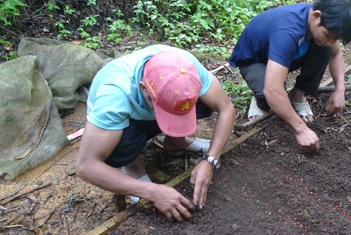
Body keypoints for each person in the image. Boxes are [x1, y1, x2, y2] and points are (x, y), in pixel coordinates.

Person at [76, 44, 236, 222]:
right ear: (144, 87)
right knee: (120, 148)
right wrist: (151, 191)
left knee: (206, 102)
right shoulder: (114, 96)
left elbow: (226, 108)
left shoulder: (185, 68)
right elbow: (86, 166)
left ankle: (177, 142)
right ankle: (133, 168)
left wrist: (210, 161)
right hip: (127, 123)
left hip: (151, 110)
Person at [229, 0, 351, 152]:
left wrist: (340, 90)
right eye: (329, 36)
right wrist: (301, 129)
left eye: (336, 38)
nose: (331, 42)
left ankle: (297, 94)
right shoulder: (287, 32)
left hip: (284, 55)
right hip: (255, 59)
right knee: (267, 96)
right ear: (316, 16)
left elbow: (336, 54)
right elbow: (273, 90)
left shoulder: (321, 24)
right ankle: (258, 99)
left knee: (326, 50)